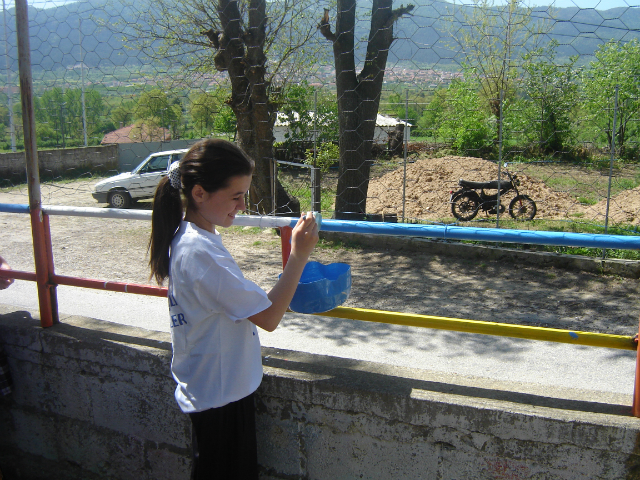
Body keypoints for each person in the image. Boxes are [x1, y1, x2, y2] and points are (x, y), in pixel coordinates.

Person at [148, 139, 319, 479]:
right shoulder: (200, 254)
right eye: (236, 195)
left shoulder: (191, 237)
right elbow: (269, 317)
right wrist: (299, 255)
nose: (243, 204)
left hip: (214, 388)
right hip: (219, 396)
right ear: (199, 193)